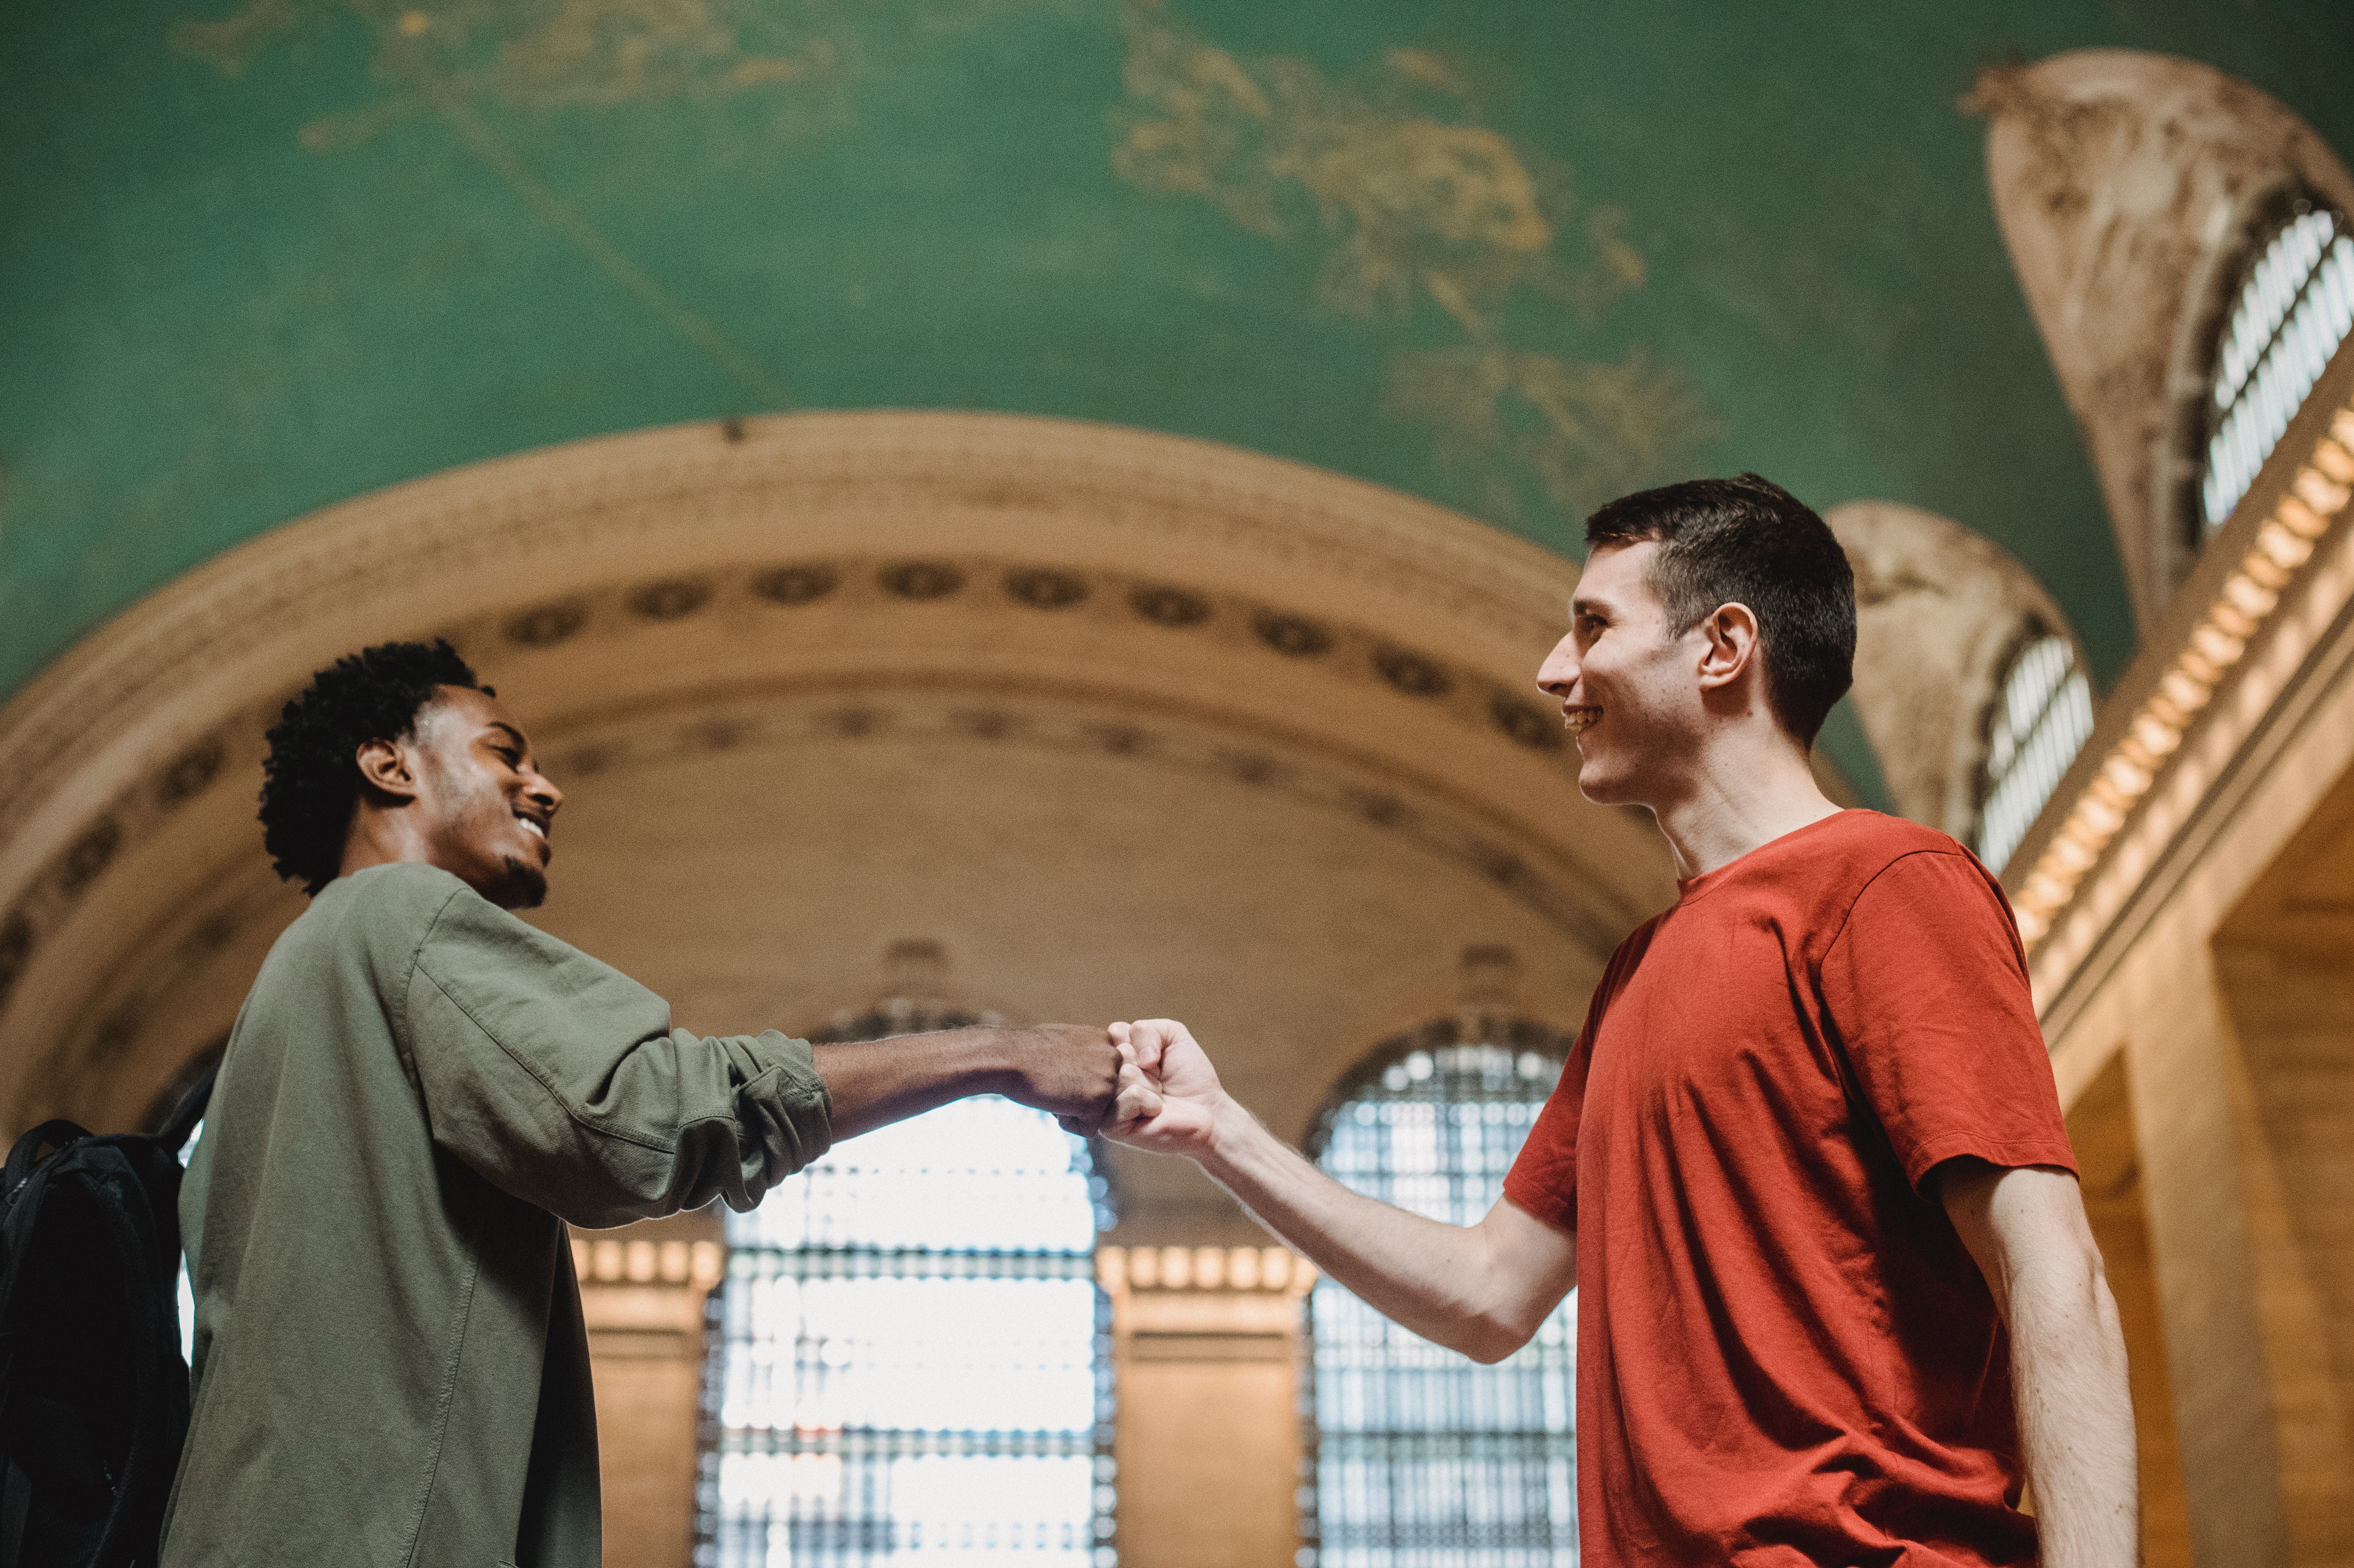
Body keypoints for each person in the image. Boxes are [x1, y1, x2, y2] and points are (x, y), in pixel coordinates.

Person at [1108, 475, 2138, 1567]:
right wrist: (1219, 1131)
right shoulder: (1639, 975)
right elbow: (1488, 1295)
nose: (1556, 671)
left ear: (1722, 646)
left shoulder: (1888, 884)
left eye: (1593, 626)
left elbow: (2051, 1269)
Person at [160, 640, 1125, 1568]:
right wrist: (1009, 1055)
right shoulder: (401, 913)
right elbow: (646, 1120)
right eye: (505, 752)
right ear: (388, 765)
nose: (546, 788)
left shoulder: (286, 992)